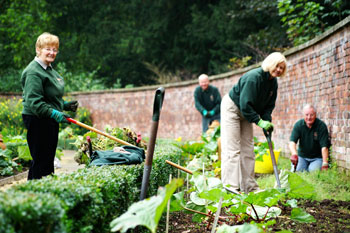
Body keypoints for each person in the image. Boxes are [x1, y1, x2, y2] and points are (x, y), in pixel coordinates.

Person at [220, 52, 287, 193]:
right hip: (233, 108)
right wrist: (258, 121)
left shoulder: (272, 83)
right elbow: (245, 104)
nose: (279, 70)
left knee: (248, 149)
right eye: (277, 66)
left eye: (282, 68)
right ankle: (230, 188)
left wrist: (266, 121)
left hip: (247, 113)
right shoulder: (254, 78)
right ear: (270, 64)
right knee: (232, 150)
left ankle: (249, 187)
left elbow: (268, 106)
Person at [21, 32, 78, 180]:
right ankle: (35, 195)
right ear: (38, 49)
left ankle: (46, 191)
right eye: (48, 49)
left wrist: (64, 105)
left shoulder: (48, 69)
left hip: (47, 118)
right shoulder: (34, 72)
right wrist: (55, 113)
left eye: (55, 50)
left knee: (47, 160)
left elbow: (48, 96)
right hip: (37, 119)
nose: (52, 53)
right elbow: (35, 102)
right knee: (41, 161)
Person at [289, 104, 330, 172]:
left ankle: (311, 168)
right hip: (302, 157)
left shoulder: (321, 126)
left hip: (317, 158)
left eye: (311, 115)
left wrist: (325, 163)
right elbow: (292, 142)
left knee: (313, 171)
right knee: (298, 171)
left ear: (315, 115)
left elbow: (324, 147)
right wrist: (294, 154)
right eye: (306, 115)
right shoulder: (298, 125)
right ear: (303, 115)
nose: (309, 117)